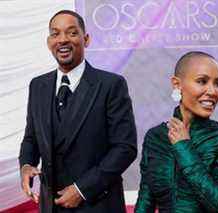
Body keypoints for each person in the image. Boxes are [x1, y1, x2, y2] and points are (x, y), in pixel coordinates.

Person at [18, 10, 137, 213]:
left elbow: (125, 148)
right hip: (50, 207)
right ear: (49, 42)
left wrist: (82, 190)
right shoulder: (37, 86)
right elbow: (31, 138)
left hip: (97, 205)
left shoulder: (111, 85)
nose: (62, 40)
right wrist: (26, 165)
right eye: (55, 34)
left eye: (72, 33)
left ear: (86, 39)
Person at [135, 51, 218, 212]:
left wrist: (183, 147)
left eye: (217, 83)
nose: (213, 91)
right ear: (176, 84)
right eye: (202, 81)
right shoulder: (156, 137)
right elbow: (145, 200)